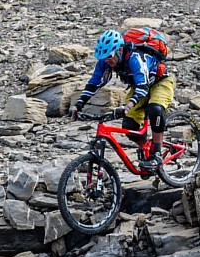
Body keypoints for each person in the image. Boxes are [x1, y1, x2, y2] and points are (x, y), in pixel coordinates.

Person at [71, 27, 174, 173]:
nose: (107, 60)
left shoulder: (135, 58)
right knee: (129, 126)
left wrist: (128, 106)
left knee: (155, 109)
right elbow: (94, 83)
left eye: (110, 56)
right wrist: (79, 104)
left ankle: (156, 154)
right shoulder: (105, 61)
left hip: (160, 82)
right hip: (137, 87)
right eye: (104, 57)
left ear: (119, 49)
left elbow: (143, 87)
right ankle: (146, 147)